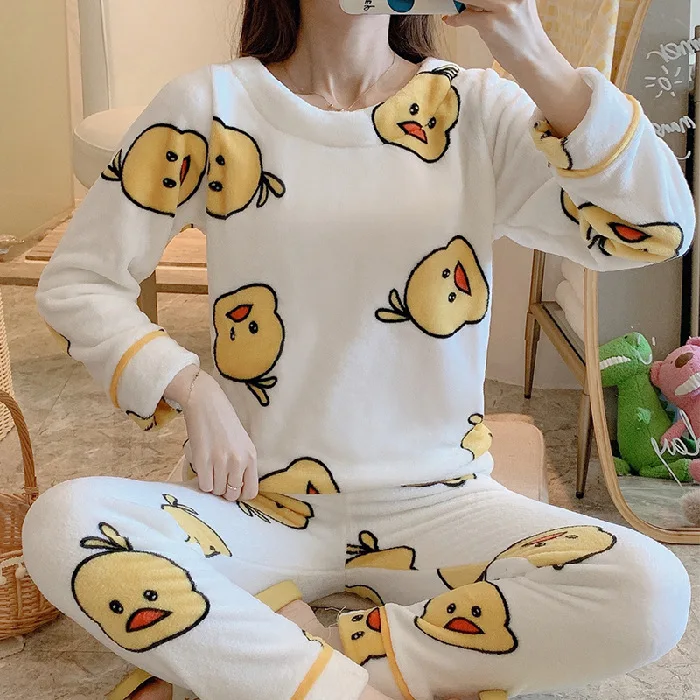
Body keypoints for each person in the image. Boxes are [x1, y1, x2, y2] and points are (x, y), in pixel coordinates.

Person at [22, 1, 693, 699]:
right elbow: (79, 281)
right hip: (255, 505)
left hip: (442, 502)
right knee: (65, 524)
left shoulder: (476, 110)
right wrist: (191, 387)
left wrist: (529, 48)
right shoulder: (211, 106)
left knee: (649, 591)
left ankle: (301, 655)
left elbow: (659, 228)